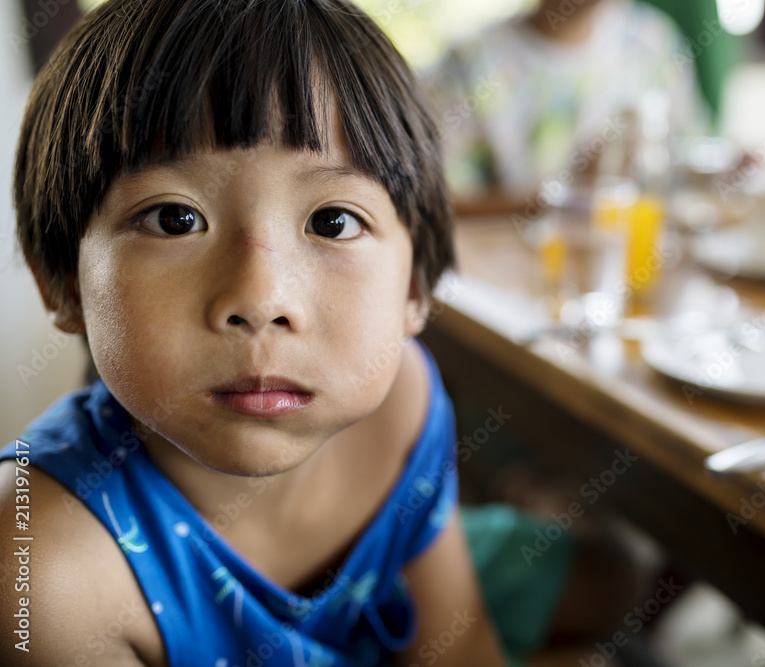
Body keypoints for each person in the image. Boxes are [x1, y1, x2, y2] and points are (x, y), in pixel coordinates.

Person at [0, 1, 641, 665]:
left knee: (620, 578)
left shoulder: (403, 397)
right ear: (62, 280)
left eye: (333, 221)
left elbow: (459, 648)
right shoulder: (40, 572)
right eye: (173, 219)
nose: (260, 298)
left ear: (416, 288)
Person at [424, 0, 705, 216]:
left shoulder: (653, 43)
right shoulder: (472, 63)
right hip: (508, 275)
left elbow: (692, 154)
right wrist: (571, 194)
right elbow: (436, 203)